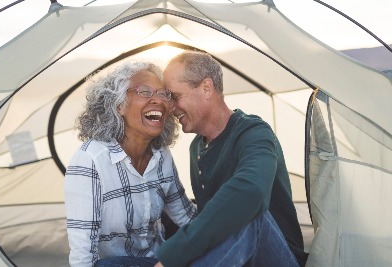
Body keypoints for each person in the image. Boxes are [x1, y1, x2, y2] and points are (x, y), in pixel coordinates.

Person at [154, 51, 308, 267]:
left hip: (276, 258)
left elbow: (251, 192)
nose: (170, 108)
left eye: (175, 97)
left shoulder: (254, 133)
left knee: (248, 212)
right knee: (115, 263)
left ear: (206, 88)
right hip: (231, 258)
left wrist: (172, 256)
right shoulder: (197, 147)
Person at [64, 61, 197, 267]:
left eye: (163, 94)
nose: (158, 100)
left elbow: (187, 217)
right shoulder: (91, 160)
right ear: (119, 105)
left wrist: (229, 224)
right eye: (144, 91)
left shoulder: (161, 155)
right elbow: (83, 253)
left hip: (157, 261)